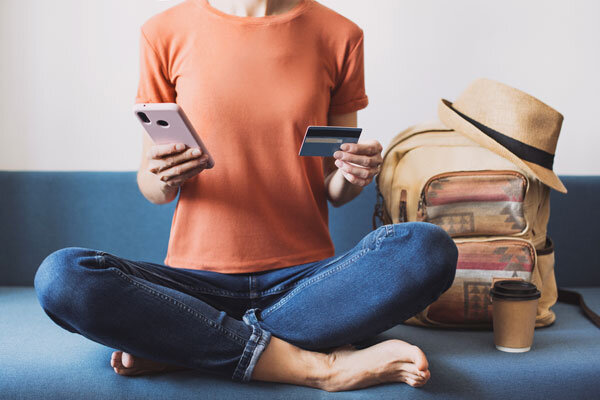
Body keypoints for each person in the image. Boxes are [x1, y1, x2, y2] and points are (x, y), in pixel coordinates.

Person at [34, 0, 457, 392]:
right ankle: (319, 368)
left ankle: (189, 344)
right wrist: (164, 177)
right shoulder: (163, 32)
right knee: (62, 276)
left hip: (308, 287)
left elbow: (335, 187)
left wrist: (354, 174)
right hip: (194, 286)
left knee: (428, 249)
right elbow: (152, 187)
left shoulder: (340, 34)